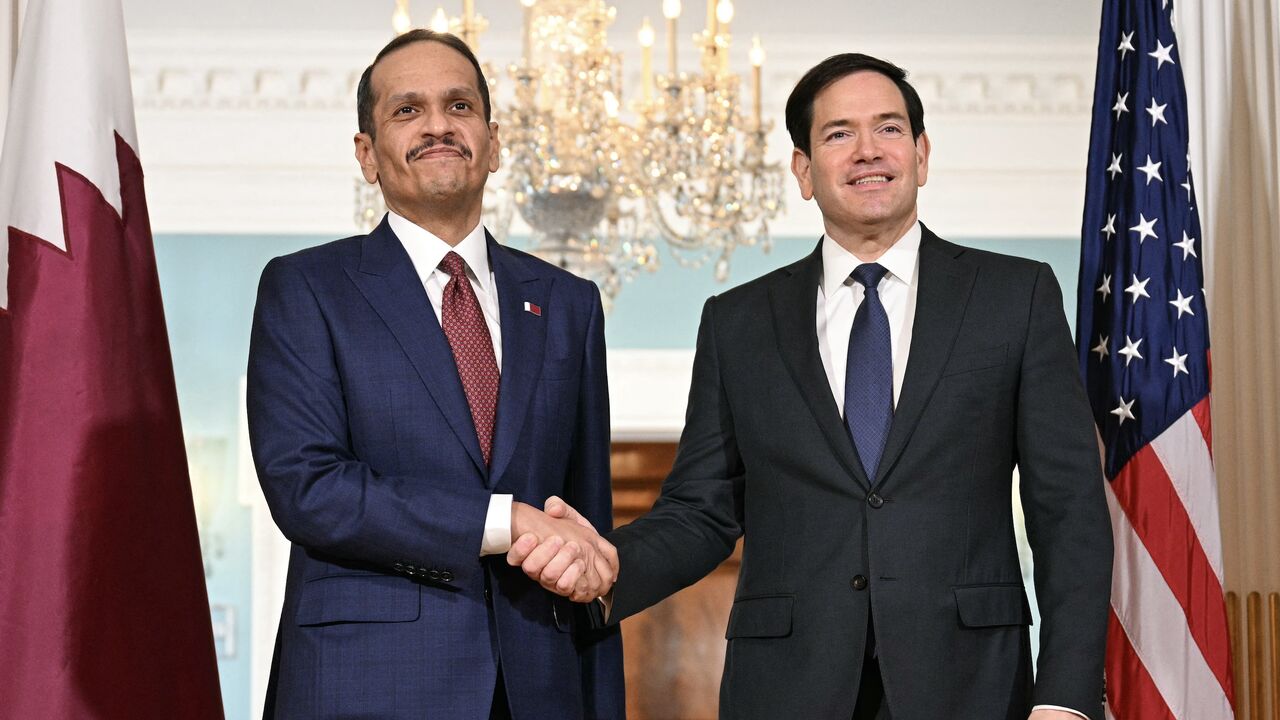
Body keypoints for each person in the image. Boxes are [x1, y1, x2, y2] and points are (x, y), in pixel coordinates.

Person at [512, 53, 1112, 719]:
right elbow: (702, 511)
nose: (867, 151)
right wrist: (608, 562)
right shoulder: (737, 323)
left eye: (888, 129)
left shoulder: (1014, 297)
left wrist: (1066, 701)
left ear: (921, 153)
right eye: (838, 134)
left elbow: (1069, 512)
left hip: (971, 685)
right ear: (803, 171)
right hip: (785, 689)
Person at [247, 30, 623, 720]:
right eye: (406, 110)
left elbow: (584, 525)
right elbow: (310, 489)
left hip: (541, 686)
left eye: (459, 106)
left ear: (494, 140)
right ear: (367, 154)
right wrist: (500, 520)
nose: (438, 125)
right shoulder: (306, 288)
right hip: (366, 686)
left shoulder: (568, 304)